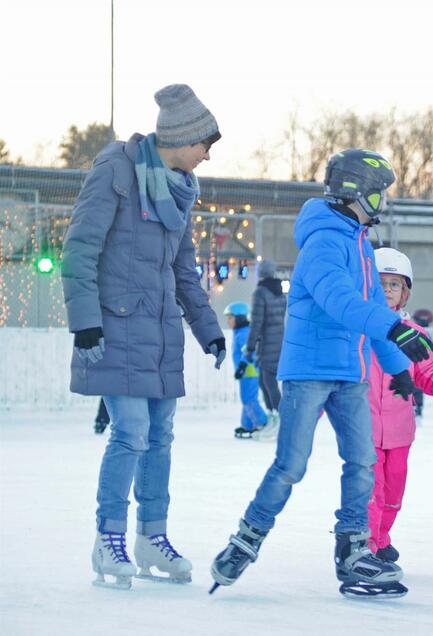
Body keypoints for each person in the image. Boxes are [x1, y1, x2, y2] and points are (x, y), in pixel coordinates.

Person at [209, 149, 433, 599]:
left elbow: (367, 312)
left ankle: (353, 549)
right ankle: (244, 541)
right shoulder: (324, 241)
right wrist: (393, 327)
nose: (383, 202)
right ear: (359, 193)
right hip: (309, 372)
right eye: (379, 193)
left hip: (350, 373)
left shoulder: (361, 245)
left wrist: (397, 370)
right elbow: (339, 302)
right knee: (291, 465)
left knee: (362, 462)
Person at [61, 84, 225, 589]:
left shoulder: (180, 191)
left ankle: (151, 536)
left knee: (160, 438)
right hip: (114, 325)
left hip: (160, 334)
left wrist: (208, 330)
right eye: (206, 144)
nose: (208, 154)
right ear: (183, 138)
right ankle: (108, 538)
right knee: (129, 432)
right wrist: (85, 321)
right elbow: (79, 248)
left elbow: (184, 272)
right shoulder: (116, 171)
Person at [367, 248, 433, 562]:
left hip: (399, 430)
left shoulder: (413, 335)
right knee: (371, 492)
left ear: (404, 293)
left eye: (394, 285)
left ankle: (381, 538)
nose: (386, 290)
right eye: (379, 283)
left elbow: (428, 373)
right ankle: (366, 546)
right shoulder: (356, 332)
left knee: (394, 492)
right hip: (363, 427)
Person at [245, 258, 286, 437]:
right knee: (265, 381)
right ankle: (274, 418)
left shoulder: (260, 293)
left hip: (268, 343)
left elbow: (257, 323)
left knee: (268, 382)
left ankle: (280, 420)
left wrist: (250, 347)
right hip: (278, 341)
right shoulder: (280, 293)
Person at [224, 302, 269, 439]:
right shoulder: (241, 333)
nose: (228, 321)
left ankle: (262, 424)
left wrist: (242, 366)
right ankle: (248, 425)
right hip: (247, 372)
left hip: (249, 371)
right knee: (247, 399)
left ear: (240, 318)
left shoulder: (244, 334)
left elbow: (249, 352)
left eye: (231, 318)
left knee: (249, 399)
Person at [410, 308, 433, 420]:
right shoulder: (412, 328)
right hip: (414, 361)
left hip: (419, 362)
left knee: (417, 386)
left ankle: (417, 408)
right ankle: (416, 408)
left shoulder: (425, 331)